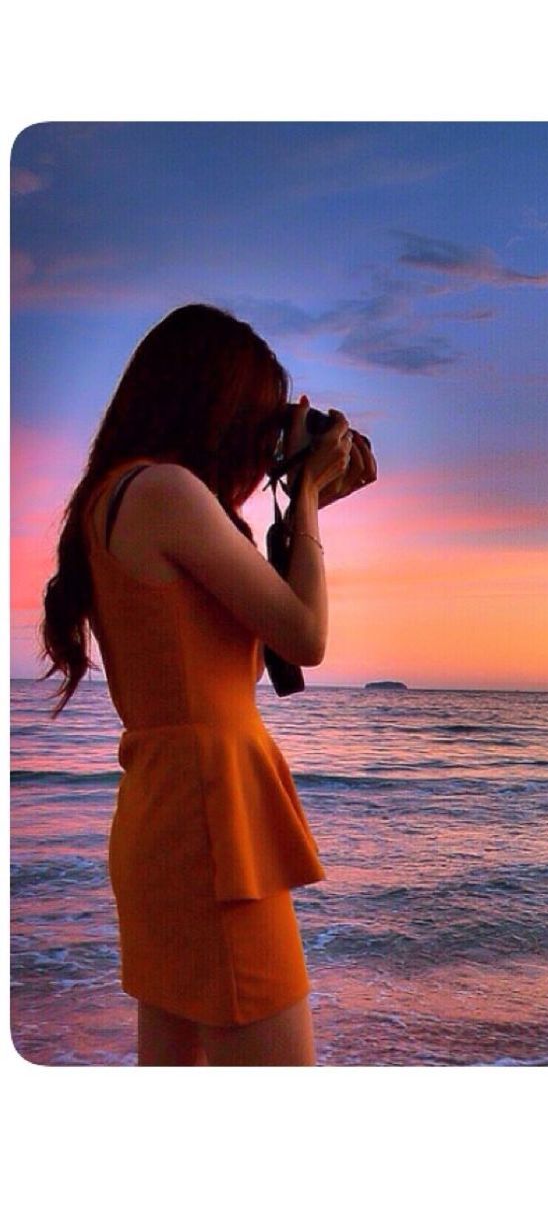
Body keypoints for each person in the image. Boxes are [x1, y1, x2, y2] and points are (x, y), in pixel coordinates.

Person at [37, 303, 377, 1065]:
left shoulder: (123, 495)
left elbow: (258, 620)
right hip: (215, 826)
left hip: (172, 819)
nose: (262, 445)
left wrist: (302, 503)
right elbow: (305, 636)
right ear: (213, 405)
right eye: (257, 421)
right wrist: (311, 498)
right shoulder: (166, 492)